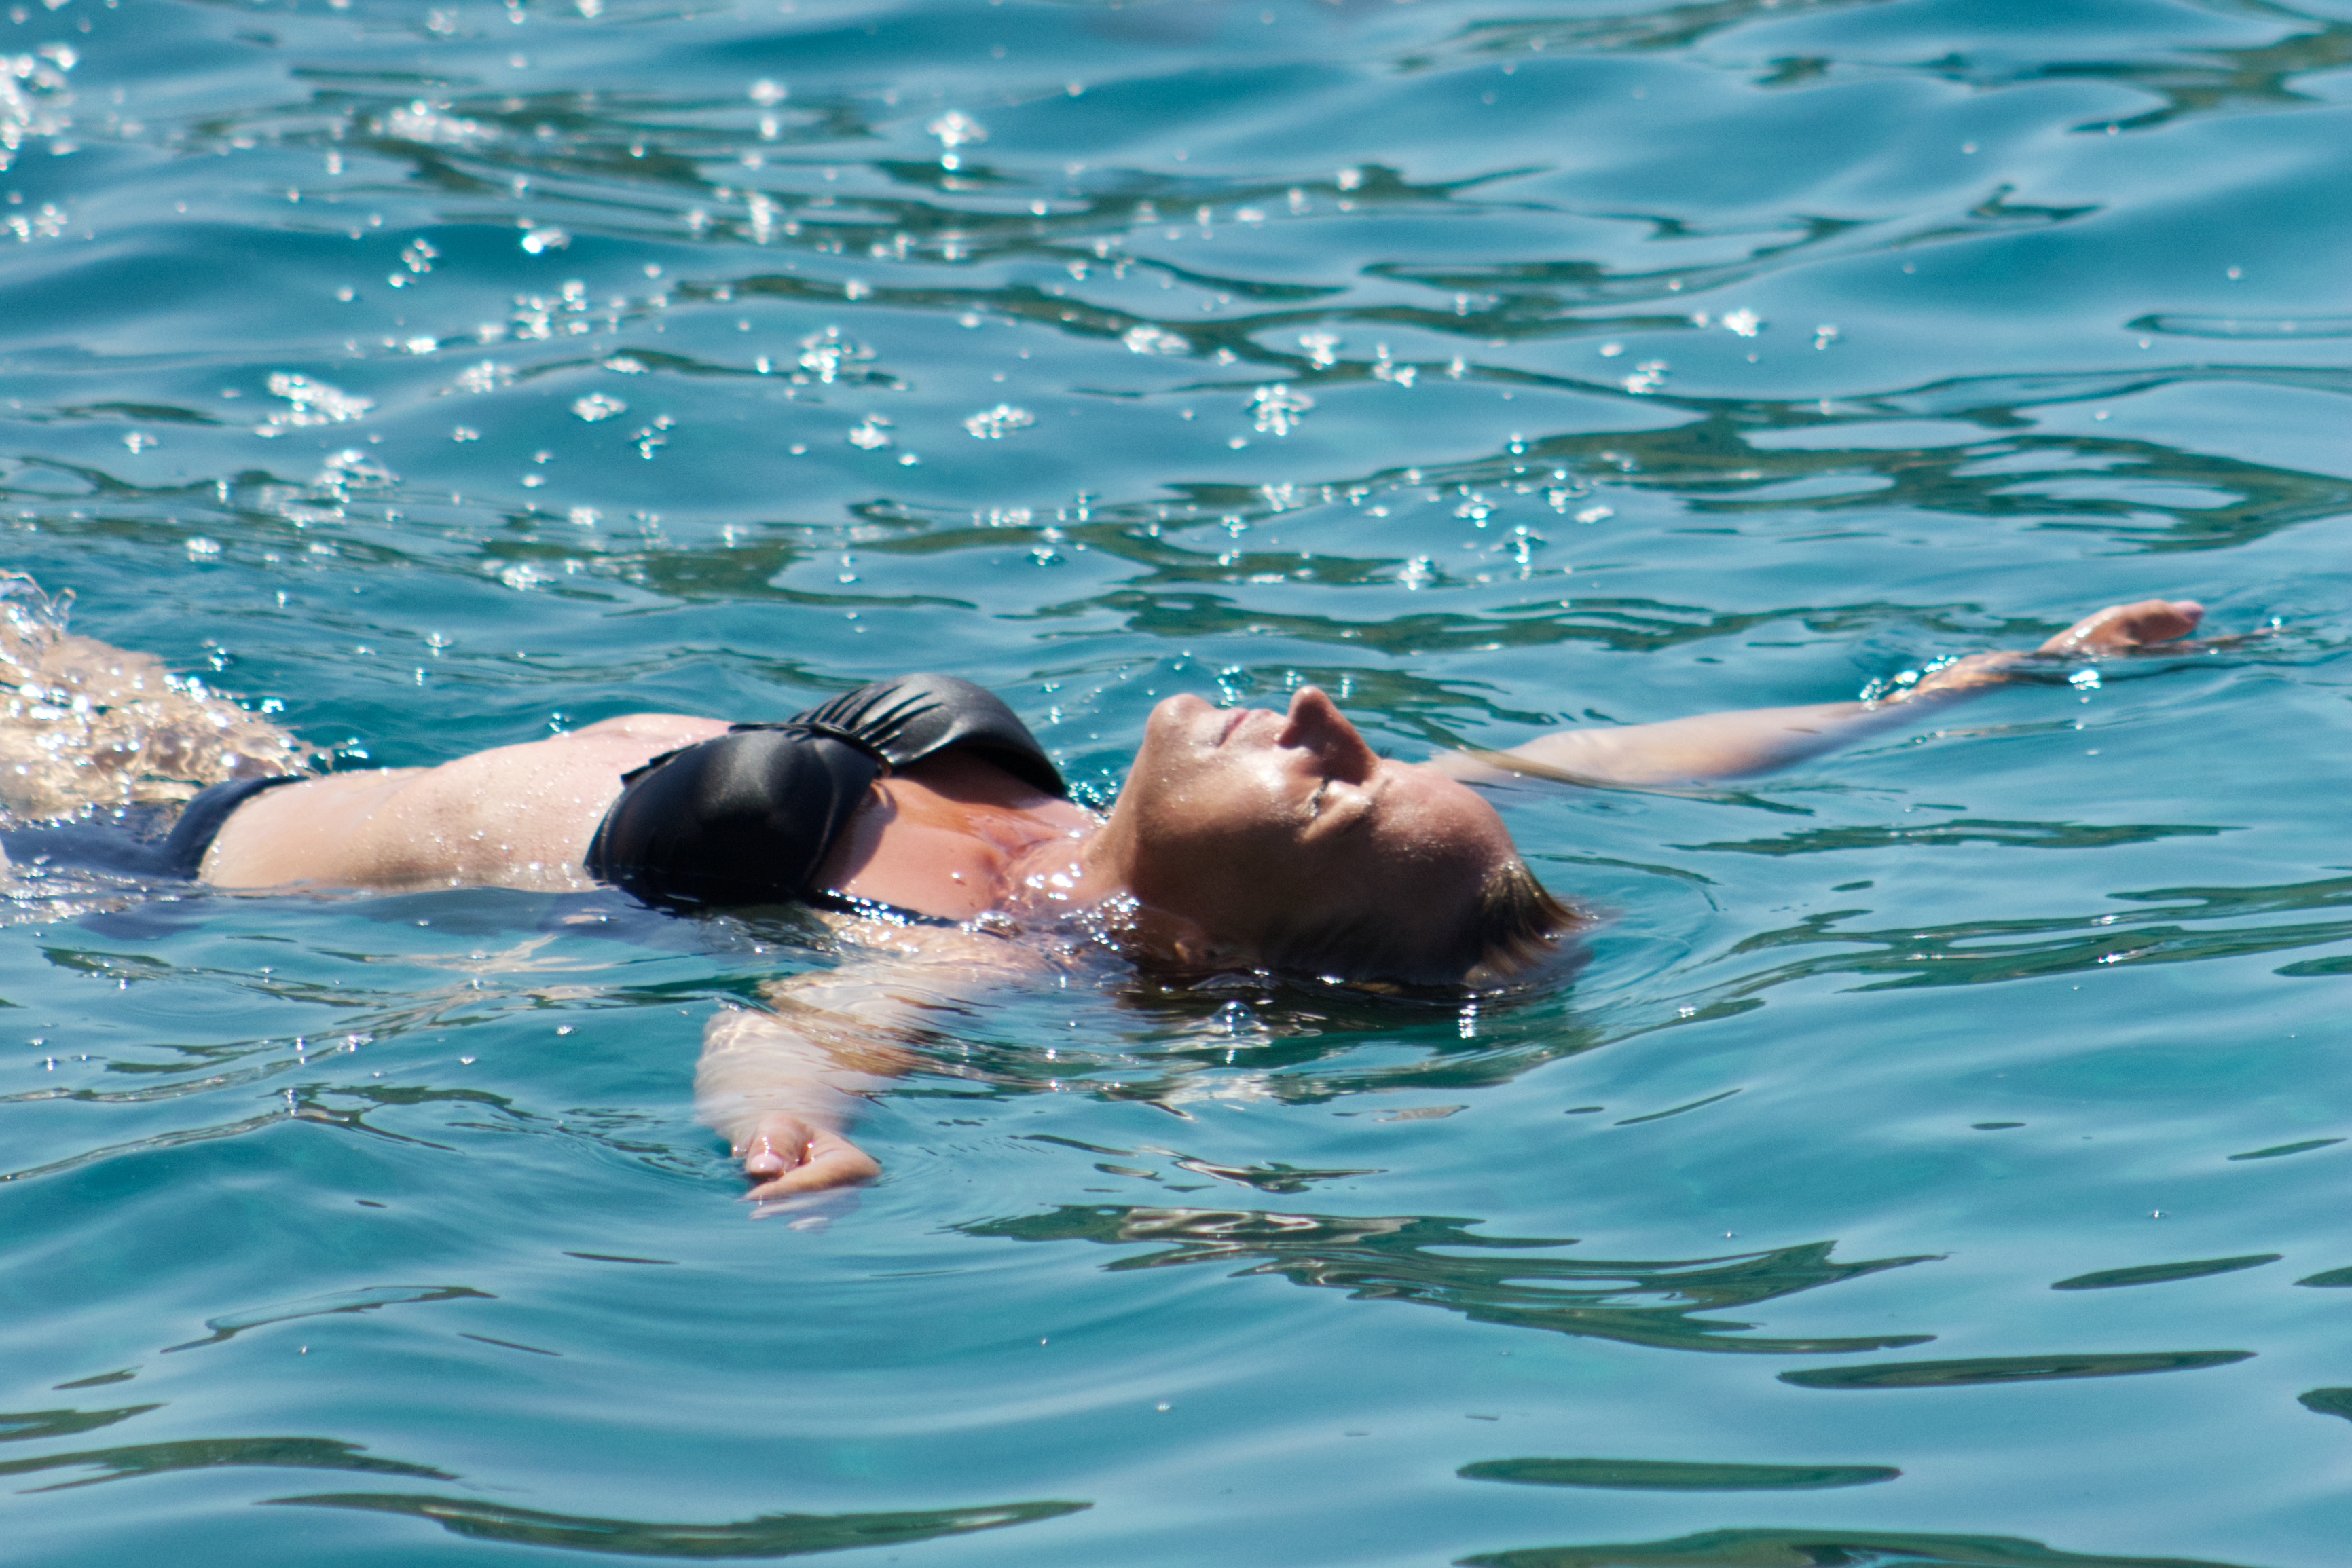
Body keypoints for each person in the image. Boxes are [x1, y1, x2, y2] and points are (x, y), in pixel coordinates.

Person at [0, 578, 2209, 1199]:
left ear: (1216, 943)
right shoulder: (1076, 841)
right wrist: (1985, 677)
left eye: (1335, 801)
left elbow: (798, 1020)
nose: (1337, 723)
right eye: (1377, 758)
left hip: (124, 877)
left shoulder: (985, 942)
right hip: (229, 759)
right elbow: (1660, 750)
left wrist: (792, 1123)